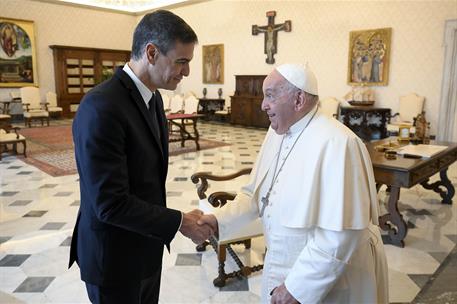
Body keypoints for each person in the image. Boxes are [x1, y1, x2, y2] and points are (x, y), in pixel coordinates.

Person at [198, 63, 389, 303]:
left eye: (270, 96)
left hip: (323, 281)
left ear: (298, 99)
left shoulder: (339, 144)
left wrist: (299, 288)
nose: (262, 105)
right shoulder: (276, 132)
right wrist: (218, 219)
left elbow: (340, 234)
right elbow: (254, 194)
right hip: (278, 268)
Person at [69, 10, 215, 304]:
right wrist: (180, 222)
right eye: (181, 62)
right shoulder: (102, 107)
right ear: (151, 52)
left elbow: (145, 181)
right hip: (113, 259)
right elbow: (109, 204)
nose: (186, 72)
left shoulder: (153, 97)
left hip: (145, 248)